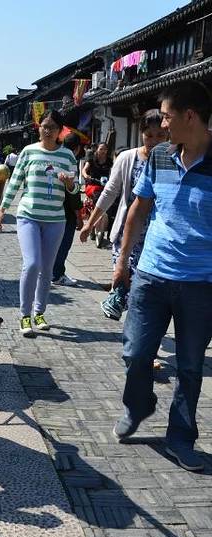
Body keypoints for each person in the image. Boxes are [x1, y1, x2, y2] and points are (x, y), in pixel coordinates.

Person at [112, 82, 212, 472]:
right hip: (151, 275)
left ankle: (181, 438)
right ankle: (138, 405)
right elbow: (139, 208)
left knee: (189, 366)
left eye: (167, 117)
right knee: (136, 353)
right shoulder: (159, 157)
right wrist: (123, 261)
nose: (162, 124)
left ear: (190, 116)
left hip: (201, 284)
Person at [0, 110, 79, 337]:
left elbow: (75, 189)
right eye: (45, 126)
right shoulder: (28, 151)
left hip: (55, 219)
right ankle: (25, 315)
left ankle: (39, 312)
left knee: (47, 269)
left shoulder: (67, 156)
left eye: (53, 127)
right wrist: (2, 209)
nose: (48, 131)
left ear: (60, 131)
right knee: (32, 264)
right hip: (28, 216)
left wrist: (70, 184)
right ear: (39, 128)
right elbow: (15, 182)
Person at [79, 110, 167, 320]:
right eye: (149, 135)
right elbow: (110, 192)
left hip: (155, 236)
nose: (154, 141)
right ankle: (121, 307)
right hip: (126, 232)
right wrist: (90, 224)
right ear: (141, 133)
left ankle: (134, 322)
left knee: (144, 288)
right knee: (125, 280)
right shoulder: (128, 158)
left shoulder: (171, 159)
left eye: (160, 136)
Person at [51, 133, 84, 286]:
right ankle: (57, 274)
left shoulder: (56, 157)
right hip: (66, 210)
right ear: (77, 149)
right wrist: (79, 215)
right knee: (63, 244)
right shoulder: (71, 161)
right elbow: (73, 194)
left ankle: (50, 271)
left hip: (52, 207)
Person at [81, 143, 113, 247]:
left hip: (105, 185)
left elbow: (113, 171)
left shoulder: (109, 161)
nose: (103, 151)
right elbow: (84, 170)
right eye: (101, 149)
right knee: (97, 197)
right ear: (97, 150)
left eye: (105, 149)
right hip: (93, 185)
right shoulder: (91, 160)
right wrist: (86, 176)